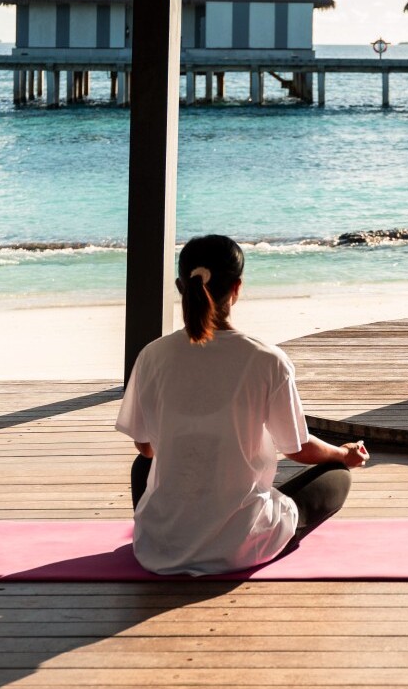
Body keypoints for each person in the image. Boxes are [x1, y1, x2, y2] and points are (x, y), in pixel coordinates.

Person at [116, 234, 369, 576]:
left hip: (158, 545)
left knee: (141, 466)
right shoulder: (266, 360)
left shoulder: (152, 356)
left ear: (181, 285)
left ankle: (179, 528)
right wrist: (344, 454)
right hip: (240, 547)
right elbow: (297, 448)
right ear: (237, 287)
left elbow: (145, 449)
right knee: (338, 477)